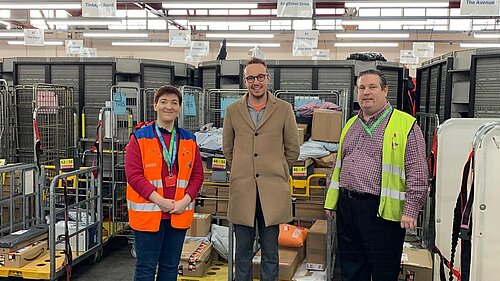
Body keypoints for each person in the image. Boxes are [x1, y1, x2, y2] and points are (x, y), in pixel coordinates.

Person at [324, 69, 428, 281]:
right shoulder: (351, 125)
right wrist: (331, 202)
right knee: (351, 270)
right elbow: (338, 167)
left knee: (383, 272)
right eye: (361, 88)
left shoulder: (405, 124)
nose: (366, 93)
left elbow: (418, 171)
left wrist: (411, 210)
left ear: (385, 91)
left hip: (382, 212)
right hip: (348, 209)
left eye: (372, 87)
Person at [223, 57, 300, 281]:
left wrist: (276, 168)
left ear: (267, 78)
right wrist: (242, 168)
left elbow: (293, 150)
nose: (255, 82)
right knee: (242, 253)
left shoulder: (284, 109)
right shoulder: (233, 110)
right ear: (244, 81)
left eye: (260, 77)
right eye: (250, 78)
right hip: (242, 191)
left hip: (272, 192)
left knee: (270, 253)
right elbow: (228, 149)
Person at [126, 85, 204, 281]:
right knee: (146, 267)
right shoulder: (139, 138)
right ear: (155, 106)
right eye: (164, 101)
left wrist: (184, 201)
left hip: (178, 214)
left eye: (174, 103)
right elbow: (134, 176)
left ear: (179, 108)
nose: (169, 106)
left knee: (170, 267)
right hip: (148, 216)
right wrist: (160, 200)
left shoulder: (189, 139)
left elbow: (197, 176)